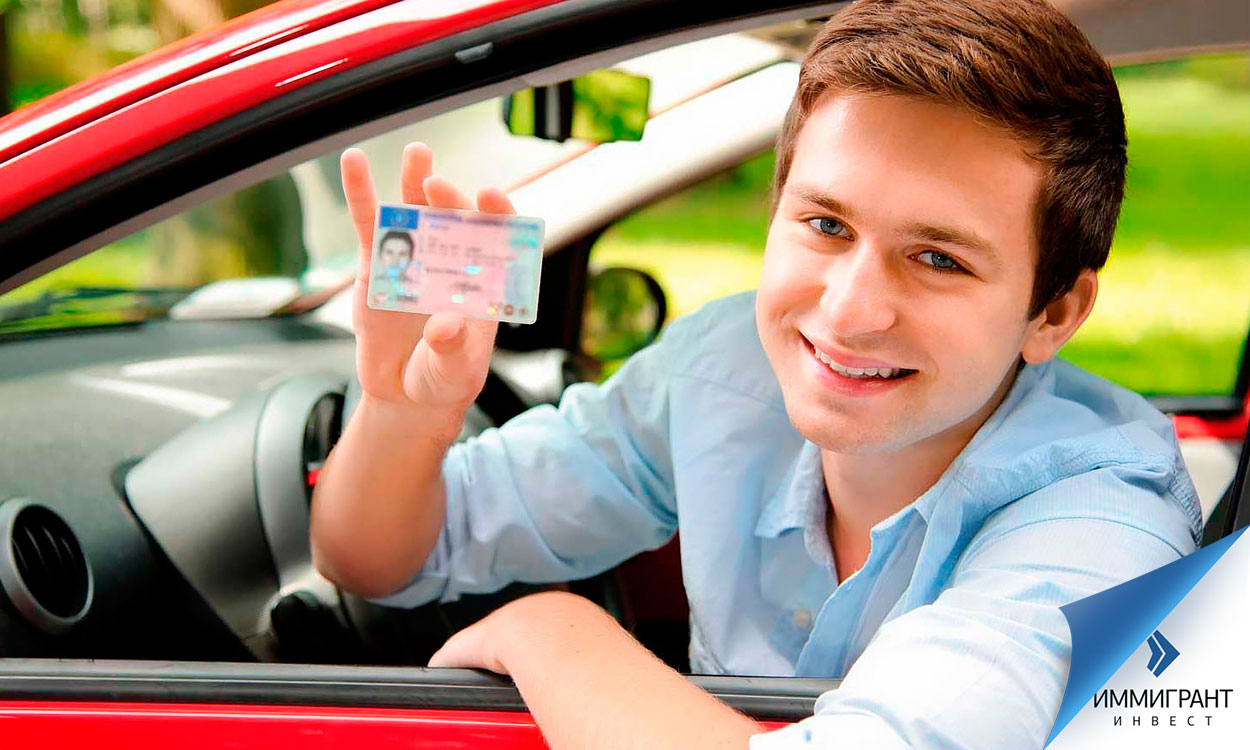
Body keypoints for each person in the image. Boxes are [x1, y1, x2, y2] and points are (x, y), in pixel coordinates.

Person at [309, 1, 1202, 747]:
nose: (851, 311)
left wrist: (557, 631)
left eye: (937, 259)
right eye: (826, 225)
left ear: (1053, 314)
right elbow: (374, 559)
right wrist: (402, 411)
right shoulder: (720, 369)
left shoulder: (1105, 531)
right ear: (775, 214)